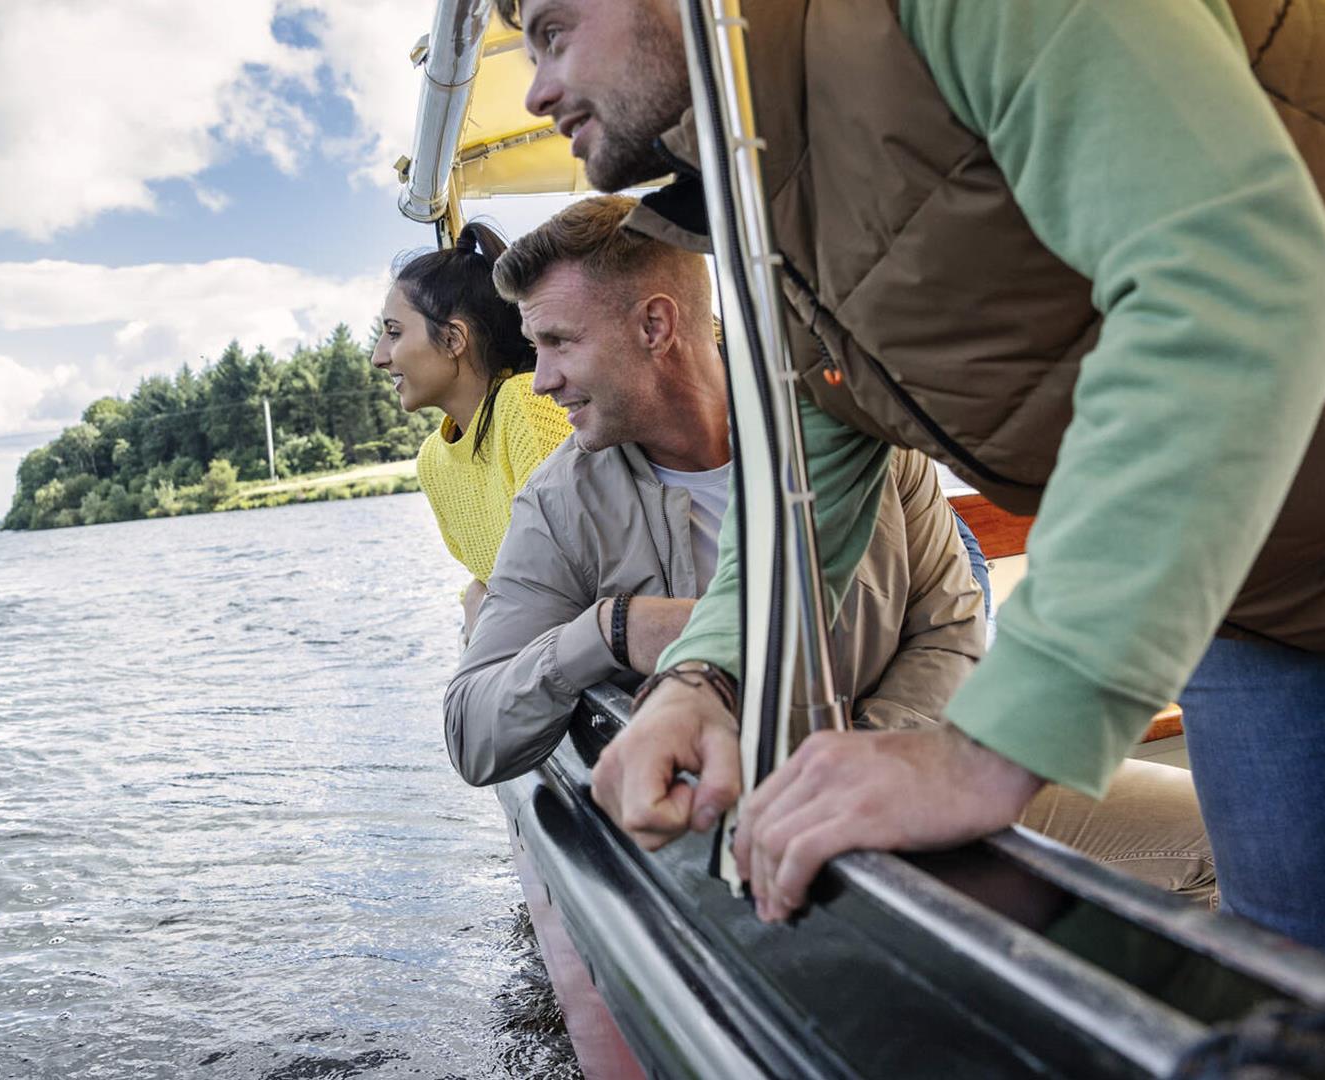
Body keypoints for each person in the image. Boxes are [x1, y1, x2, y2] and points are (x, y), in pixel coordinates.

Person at [499, 0, 1325, 978]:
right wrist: (707, 674)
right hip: (1260, 584)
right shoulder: (759, 186)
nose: (536, 86)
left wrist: (985, 750)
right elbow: (815, 460)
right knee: (1294, 990)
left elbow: (1231, 276)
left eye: (553, 30)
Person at [446, 194, 1215, 903]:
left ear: (655, 325)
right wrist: (609, 629)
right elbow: (473, 733)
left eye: (557, 343)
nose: (540, 380)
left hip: (924, 779)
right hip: (736, 858)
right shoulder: (557, 506)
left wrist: (875, 765)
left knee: (1218, 838)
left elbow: (948, 628)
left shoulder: (851, 416)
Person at [372, 222, 572, 635]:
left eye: (393, 333)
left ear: (453, 338)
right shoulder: (434, 459)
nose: (378, 357)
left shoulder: (526, 405)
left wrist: (481, 603)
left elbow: (561, 581)